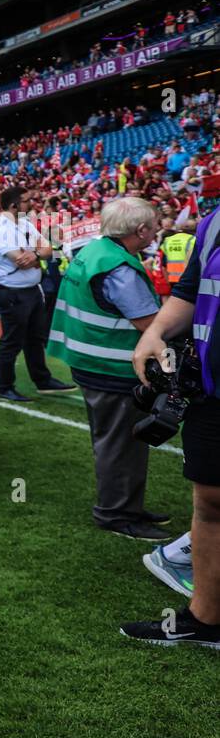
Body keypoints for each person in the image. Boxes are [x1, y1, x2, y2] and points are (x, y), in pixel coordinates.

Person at [120, 203, 220, 647]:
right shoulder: (214, 220)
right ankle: (205, 620)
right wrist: (155, 332)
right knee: (211, 501)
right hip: (212, 390)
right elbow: (189, 291)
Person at [46, 197, 167, 541]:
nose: (157, 229)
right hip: (111, 366)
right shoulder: (118, 266)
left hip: (90, 362)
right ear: (140, 230)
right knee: (121, 442)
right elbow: (150, 323)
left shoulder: (94, 250)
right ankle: (116, 514)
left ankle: (126, 504)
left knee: (117, 440)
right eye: (153, 224)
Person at [0, 186, 77, 402]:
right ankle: (5, 386)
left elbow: (48, 249)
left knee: (35, 338)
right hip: (13, 292)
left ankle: (42, 380)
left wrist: (35, 254)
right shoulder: (1, 229)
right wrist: (39, 255)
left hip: (31, 290)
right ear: (14, 205)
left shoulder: (24, 224)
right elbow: (21, 261)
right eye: (27, 201)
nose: (32, 204)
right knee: (12, 341)